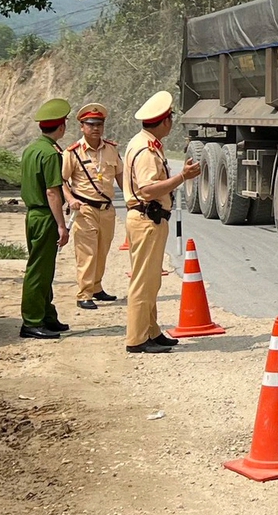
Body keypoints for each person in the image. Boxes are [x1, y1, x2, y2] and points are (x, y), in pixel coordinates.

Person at [120, 91, 202, 354]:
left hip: (148, 218)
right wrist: (182, 177)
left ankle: (151, 330)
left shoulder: (145, 143)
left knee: (151, 279)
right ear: (165, 121)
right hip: (147, 217)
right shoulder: (146, 150)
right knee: (144, 281)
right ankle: (136, 338)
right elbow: (147, 190)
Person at [18, 99, 73, 340]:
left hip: (33, 214)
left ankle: (46, 315)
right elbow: (52, 192)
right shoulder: (51, 154)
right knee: (38, 271)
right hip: (45, 215)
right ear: (60, 127)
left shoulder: (32, 149)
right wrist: (61, 225)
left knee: (44, 268)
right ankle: (31, 321)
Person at [62, 102, 122, 310]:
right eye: (91, 124)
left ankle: (96, 287)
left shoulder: (111, 149)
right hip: (85, 209)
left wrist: (133, 198)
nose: (95, 128)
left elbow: (120, 175)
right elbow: (61, 181)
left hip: (107, 209)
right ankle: (84, 293)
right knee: (87, 252)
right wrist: (71, 200)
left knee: (102, 250)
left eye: (99, 124)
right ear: (82, 126)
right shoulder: (73, 153)